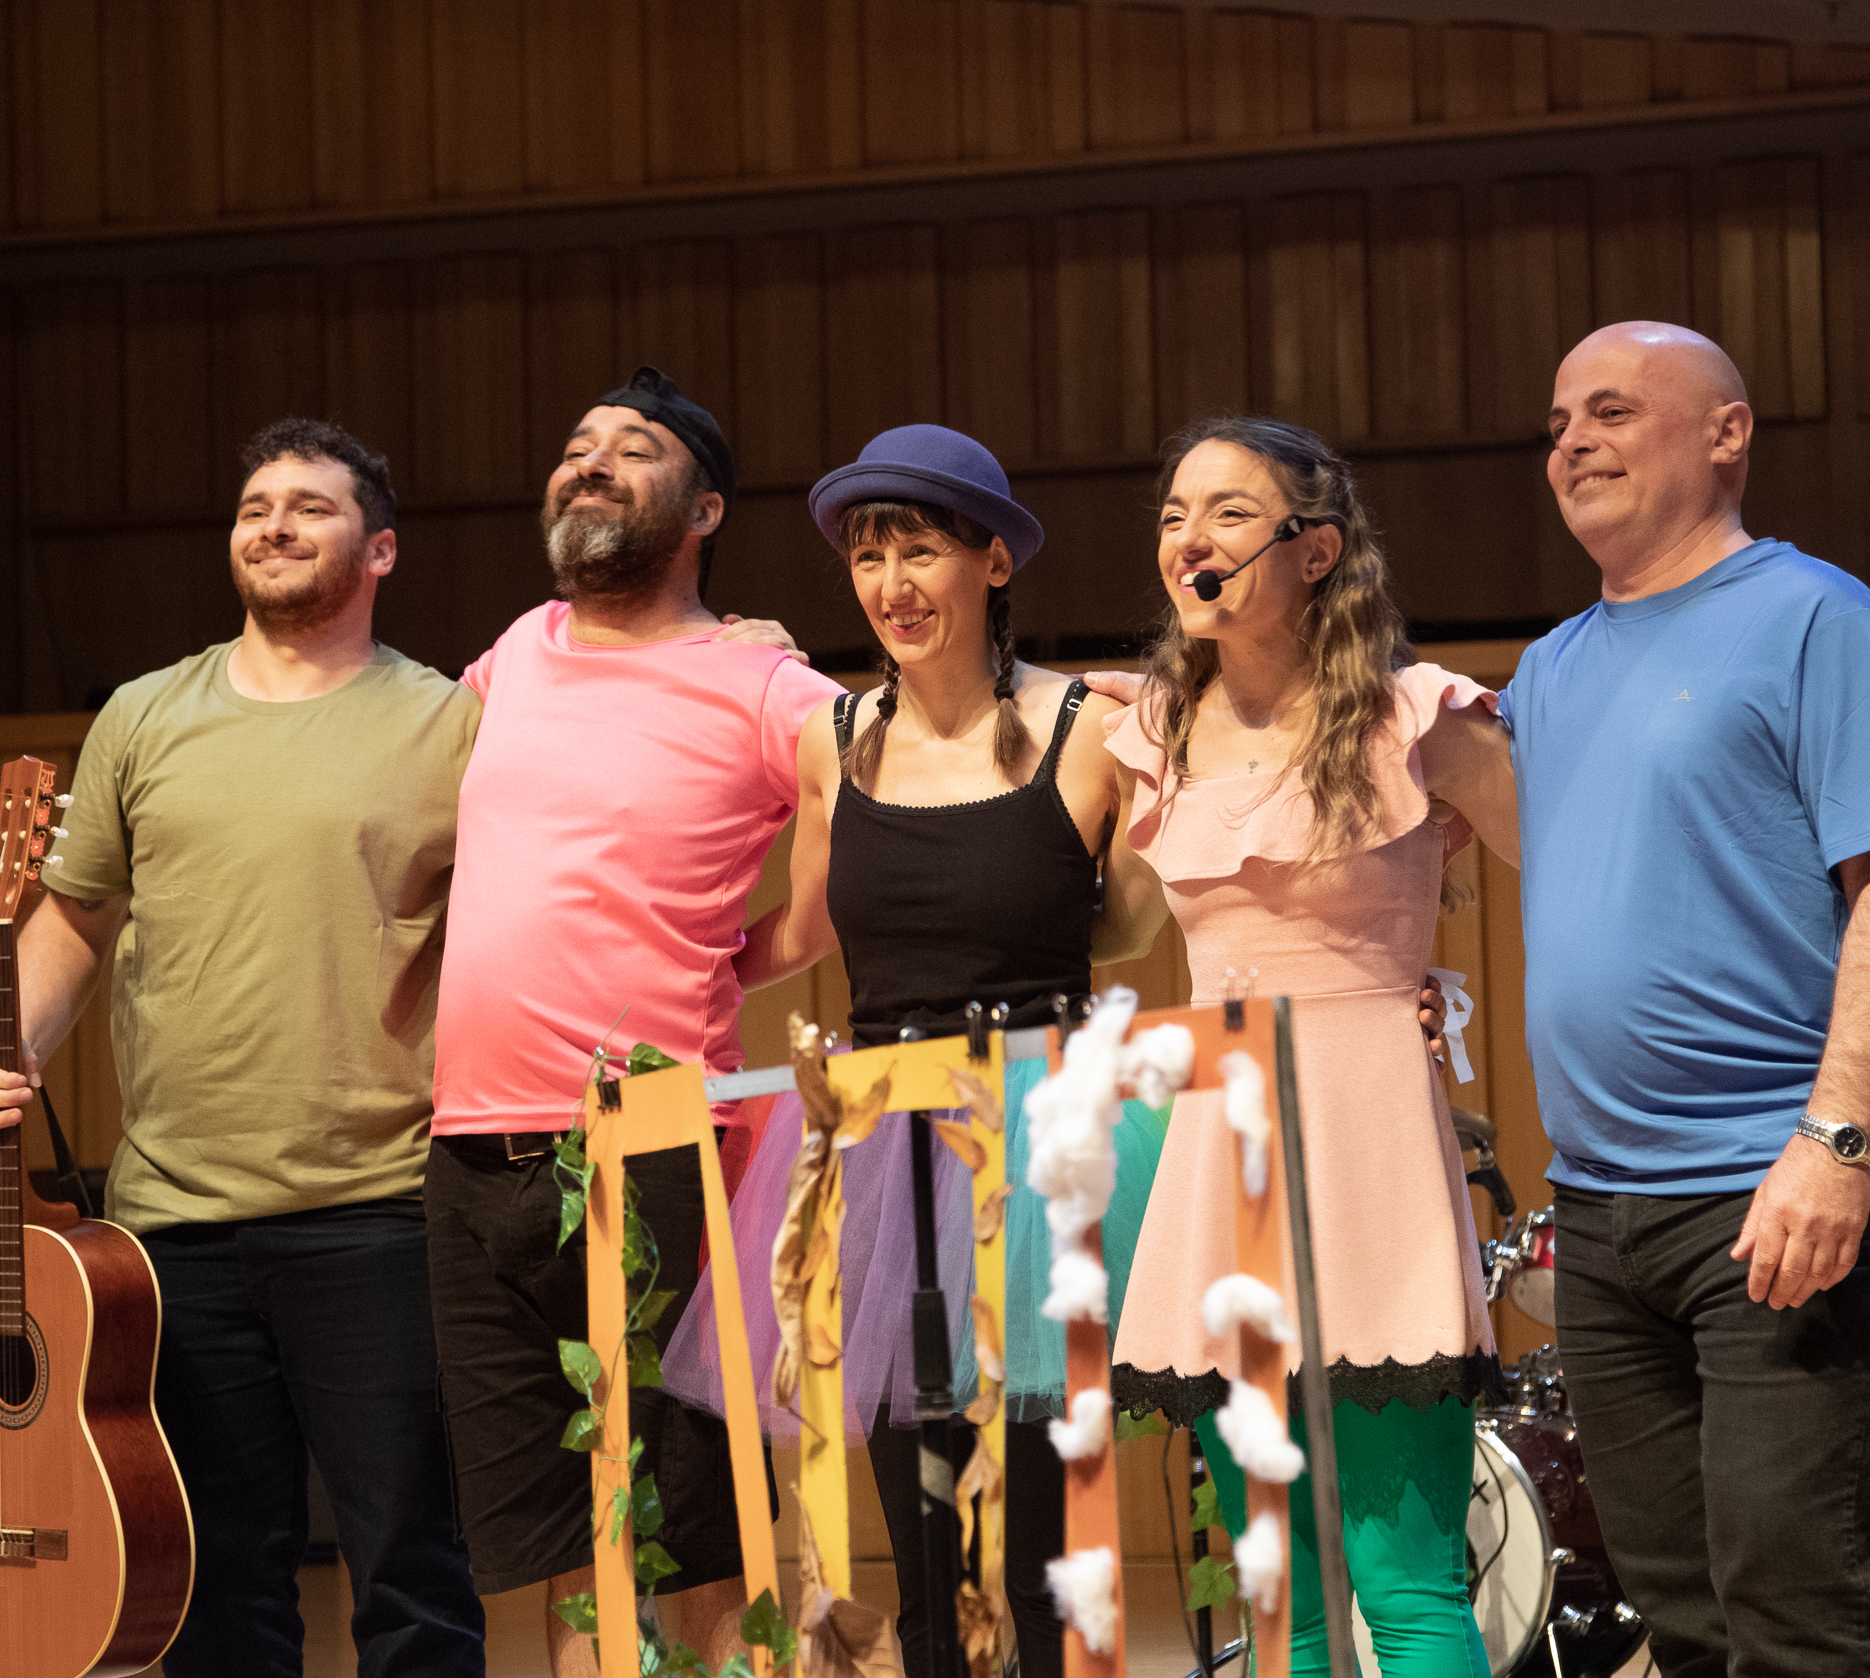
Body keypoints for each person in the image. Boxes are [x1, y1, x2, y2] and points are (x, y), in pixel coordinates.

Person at [0, 419, 487, 1677]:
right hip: (172, 1233)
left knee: (412, 1577)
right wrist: (4, 1048)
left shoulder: (451, 724)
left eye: (311, 505)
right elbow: (75, 922)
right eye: (256, 505)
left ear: (382, 549)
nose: (275, 524)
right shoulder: (145, 714)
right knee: (209, 1591)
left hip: (383, 1211)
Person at [664, 423, 1159, 1678]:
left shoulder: (1090, 729)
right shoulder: (833, 738)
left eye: (921, 549)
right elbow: (798, 921)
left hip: (1036, 1154)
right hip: (885, 1164)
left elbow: (1140, 925)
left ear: (994, 561)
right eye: (868, 554)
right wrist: (648, 971)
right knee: (925, 1562)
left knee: (1036, 1559)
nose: (890, 582)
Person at [1509, 321, 1870, 1677]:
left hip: (1780, 1177)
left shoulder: (1817, 618)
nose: (1572, 440)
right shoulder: (1551, 666)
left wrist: (1835, 1139)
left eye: (1613, 410)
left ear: (1725, 433)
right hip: (1603, 1209)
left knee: (1790, 1611)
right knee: (1682, 1618)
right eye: (1559, 421)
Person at [424, 368, 845, 1678]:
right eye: (576, 447)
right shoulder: (511, 653)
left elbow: (845, 855)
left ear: (705, 506)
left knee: (694, 1537)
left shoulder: (765, 681)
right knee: (568, 1545)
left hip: (646, 1149)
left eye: (633, 447)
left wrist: (741, 960)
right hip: (470, 1153)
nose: (589, 462)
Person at [1102, 416, 1516, 1678]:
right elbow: (1095, 927)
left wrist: (1453, 1002)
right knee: (1282, 1602)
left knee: (1410, 1584)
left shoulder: (1419, 716)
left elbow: (1579, 866)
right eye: (1174, 514)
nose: (1190, 539)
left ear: (1316, 547)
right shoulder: (1151, 734)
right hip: (1222, 1146)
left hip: (1369, 1140)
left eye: (1227, 511)